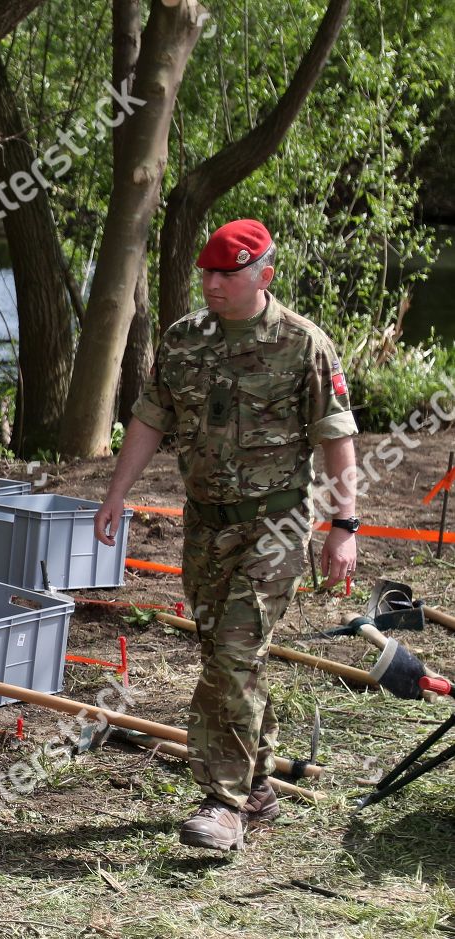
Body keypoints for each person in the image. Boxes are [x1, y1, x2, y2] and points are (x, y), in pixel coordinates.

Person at [93, 220, 358, 851]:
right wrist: (115, 493)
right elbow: (149, 420)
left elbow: (338, 442)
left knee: (233, 661)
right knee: (227, 659)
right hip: (204, 532)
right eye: (206, 272)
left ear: (263, 275)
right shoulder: (184, 340)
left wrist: (344, 526)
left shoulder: (303, 345)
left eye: (226, 273)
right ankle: (261, 785)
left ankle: (225, 803)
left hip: (276, 527)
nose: (212, 283)